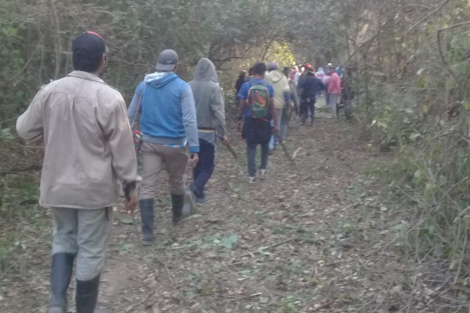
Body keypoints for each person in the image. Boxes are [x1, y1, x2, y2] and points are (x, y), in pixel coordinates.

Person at [16, 31, 138, 313]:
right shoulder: (110, 98)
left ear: (73, 57)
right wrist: (130, 189)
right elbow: (123, 150)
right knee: (90, 249)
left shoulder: (49, 92)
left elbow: (24, 130)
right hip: (93, 192)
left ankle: (56, 305)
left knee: (63, 238)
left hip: (57, 187)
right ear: (103, 60)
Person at [128, 49, 199, 245]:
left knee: (148, 186)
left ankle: (147, 234)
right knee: (176, 181)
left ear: (158, 64)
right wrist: (195, 148)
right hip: (175, 144)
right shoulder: (183, 88)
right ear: (176, 66)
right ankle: (177, 217)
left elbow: (130, 115)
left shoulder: (143, 86)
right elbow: (189, 120)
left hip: (150, 144)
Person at [189, 58, 228, 204]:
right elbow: (218, 113)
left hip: (191, 132)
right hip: (208, 133)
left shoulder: (188, 86)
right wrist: (222, 133)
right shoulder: (214, 88)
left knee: (196, 163)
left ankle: (199, 194)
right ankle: (194, 189)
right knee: (208, 166)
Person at [237, 62, 278, 183]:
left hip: (250, 121)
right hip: (265, 120)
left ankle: (251, 176)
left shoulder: (246, 86)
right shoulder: (268, 87)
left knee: (251, 146)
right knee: (265, 144)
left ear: (253, 71)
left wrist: (239, 119)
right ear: (264, 73)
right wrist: (276, 123)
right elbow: (272, 107)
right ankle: (263, 169)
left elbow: (241, 105)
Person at [265, 62, 290, 152]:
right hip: (279, 105)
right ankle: (275, 143)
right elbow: (286, 92)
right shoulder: (283, 77)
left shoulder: (266, 76)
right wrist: (287, 105)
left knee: (268, 124)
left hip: (267, 104)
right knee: (277, 124)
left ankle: (270, 144)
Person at [282, 66, 300, 136]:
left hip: (277, 104)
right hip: (287, 105)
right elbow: (295, 98)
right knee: (285, 121)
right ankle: (283, 134)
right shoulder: (290, 83)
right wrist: (297, 107)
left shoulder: (278, 82)